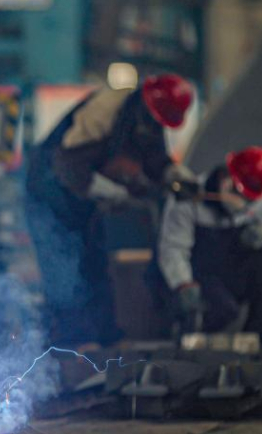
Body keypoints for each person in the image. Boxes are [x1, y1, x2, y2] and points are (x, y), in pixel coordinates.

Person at [25, 74, 195, 346]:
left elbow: (154, 158)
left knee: (95, 260)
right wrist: (118, 194)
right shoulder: (106, 109)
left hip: (85, 200)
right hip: (50, 191)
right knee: (65, 266)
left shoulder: (149, 115)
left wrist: (176, 174)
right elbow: (69, 167)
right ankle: (65, 348)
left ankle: (103, 343)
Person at [157, 147, 262, 342]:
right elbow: (174, 248)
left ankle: (255, 338)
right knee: (223, 310)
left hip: (234, 272)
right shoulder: (188, 199)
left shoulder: (258, 200)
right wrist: (183, 284)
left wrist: (257, 235)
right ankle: (190, 338)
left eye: (247, 197)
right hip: (202, 277)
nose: (241, 200)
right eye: (236, 191)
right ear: (225, 175)